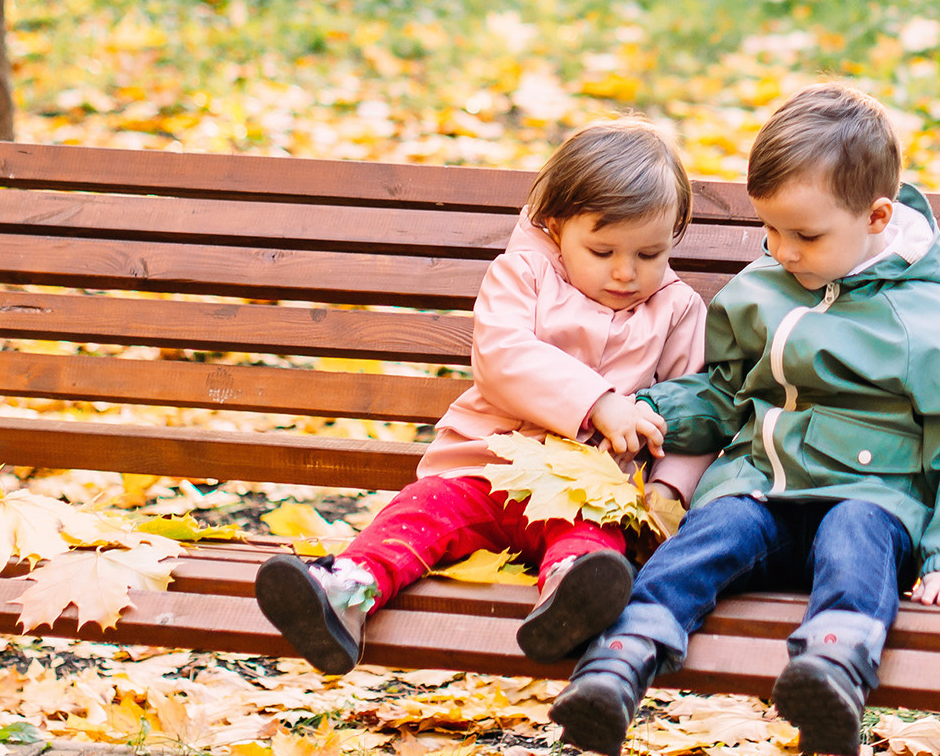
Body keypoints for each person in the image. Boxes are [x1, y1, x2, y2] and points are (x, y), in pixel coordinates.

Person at [551, 82, 940, 756]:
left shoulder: (930, 319)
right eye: (770, 230)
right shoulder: (761, 290)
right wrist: (658, 411)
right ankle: (619, 662)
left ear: (877, 217)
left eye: (806, 235)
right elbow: (725, 393)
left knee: (856, 537)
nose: (784, 250)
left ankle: (832, 668)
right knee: (711, 533)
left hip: (873, 498)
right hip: (760, 490)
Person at [253, 123, 707, 678]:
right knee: (423, 512)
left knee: (591, 540)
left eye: (650, 253)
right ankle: (345, 593)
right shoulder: (523, 275)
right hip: (483, 470)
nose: (625, 271)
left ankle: (571, 600)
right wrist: (599, 403)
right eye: (602, 250)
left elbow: (695, 411)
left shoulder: (677, 310)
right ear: (556, 225)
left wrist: (668, 490)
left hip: (587, 493)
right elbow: (502, 355)